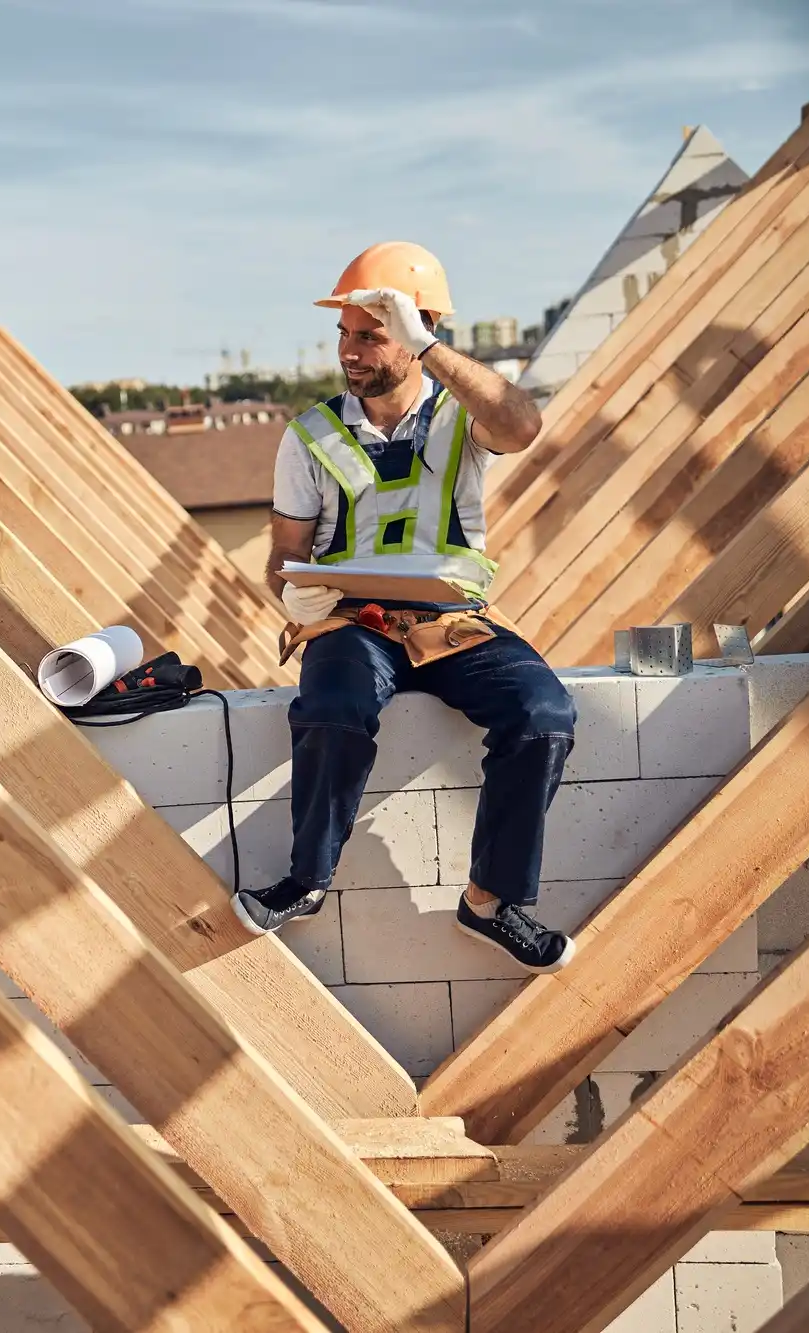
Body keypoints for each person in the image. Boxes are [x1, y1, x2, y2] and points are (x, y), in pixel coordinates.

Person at [232, 241, 579, 974]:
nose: (348, 352)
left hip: (452, 624)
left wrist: (433, 350)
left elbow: (522, 426)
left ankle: (490, 901)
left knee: (544, 713)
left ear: (418, 332)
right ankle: (308, 879)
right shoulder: (310, 437)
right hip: (354, 623)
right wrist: (293, 591)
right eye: (344, 334)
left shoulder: (463, 417)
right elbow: (280, 558)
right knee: (332, 705)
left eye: (369, 335)